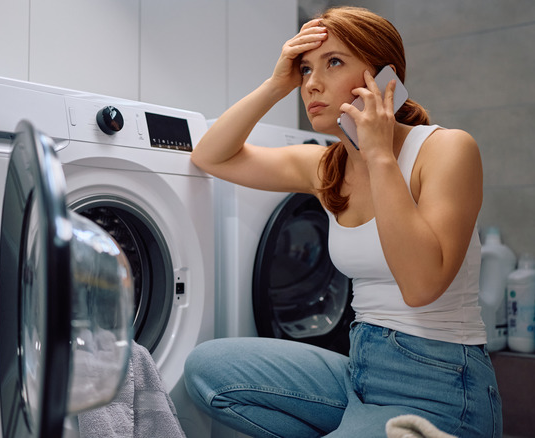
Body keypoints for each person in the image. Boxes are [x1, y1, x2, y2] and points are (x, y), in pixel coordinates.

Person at [183, 6, 501, 438]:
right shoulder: (326, 167)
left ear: (386, 77)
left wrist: (380, 155)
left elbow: (421, 286)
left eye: (333, 62)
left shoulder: (446, 150)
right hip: (360, 369)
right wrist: (277, 83)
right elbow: (210, 155)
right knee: (208, 369)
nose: (311, 83)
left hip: (440, 384)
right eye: (305, 69)